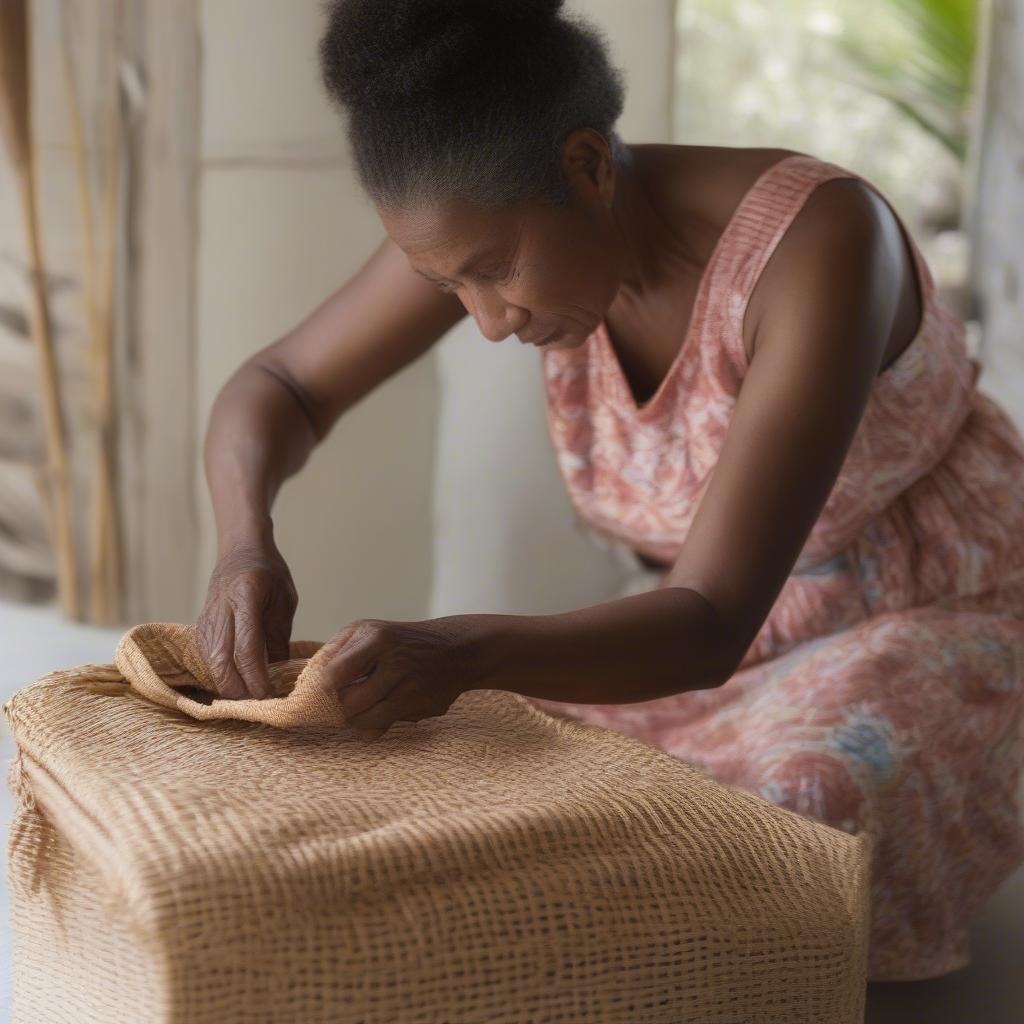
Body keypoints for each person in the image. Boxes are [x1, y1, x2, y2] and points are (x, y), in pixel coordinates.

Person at [196, 0, 1024, 985]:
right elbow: (279, 386)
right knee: (470, 771)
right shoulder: (473, 218)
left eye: (495, 274)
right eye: (448, 284)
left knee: (794, 798)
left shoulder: (819, 247)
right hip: (732, 640)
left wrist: (462, 645)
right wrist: (245, 540)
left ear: (586, 165)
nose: (488, 322)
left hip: (946, 614)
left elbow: (709, 618)